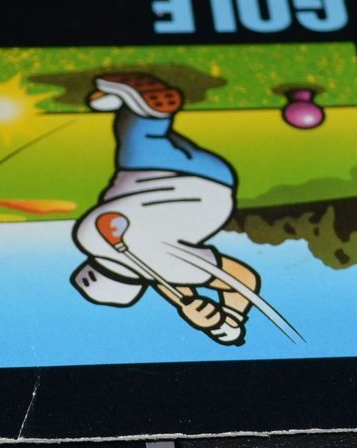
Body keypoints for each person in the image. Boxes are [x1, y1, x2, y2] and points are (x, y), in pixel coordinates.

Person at [68, 74, 263, 345]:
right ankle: (145, 110)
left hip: (202, 182)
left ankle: (134, 106)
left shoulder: (163, 266)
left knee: (142, 132)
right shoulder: (88, 238)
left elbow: (241, 278)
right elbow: (162, 273)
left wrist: (230, 318)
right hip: (168, 173)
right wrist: (198, 309)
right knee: (141, 133)